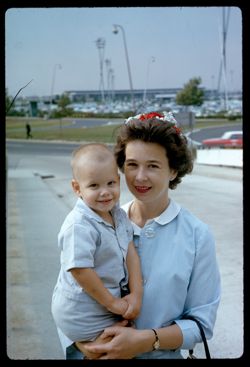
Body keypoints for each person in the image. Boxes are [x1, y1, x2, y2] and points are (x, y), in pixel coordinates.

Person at [58, 111, 221, 359]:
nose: (140, 177)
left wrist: (147, 341)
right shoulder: (94, 223)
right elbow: (70, 293)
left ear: (173, 171)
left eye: (153, 166)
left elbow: (202, 323)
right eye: (132, 165)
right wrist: (83, 346)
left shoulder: (197, 235)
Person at [51, 143, 143, 358]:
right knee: (117, 349)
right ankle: (91, 352)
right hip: (81, 312)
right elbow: (80, 270)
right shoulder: (79, 225)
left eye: (111, 183)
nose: (105, 192)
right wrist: (112, 303)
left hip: (100, 305)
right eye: (94, 185)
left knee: (125, 343)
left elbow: (130, 252)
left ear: (118, 181)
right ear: (77, 189)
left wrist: (137, 294)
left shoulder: (117, 213)